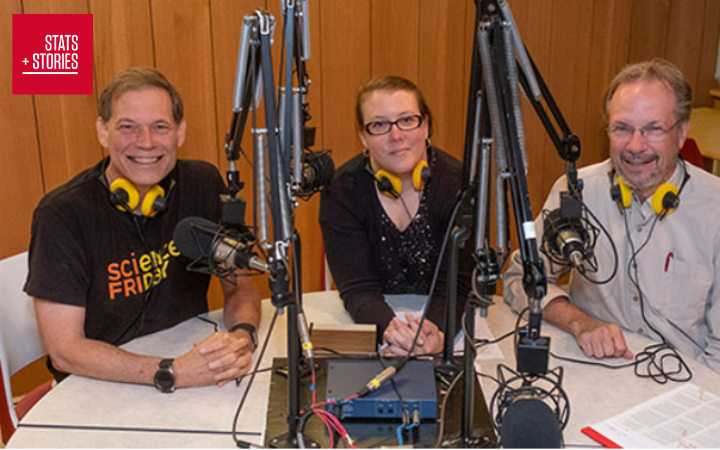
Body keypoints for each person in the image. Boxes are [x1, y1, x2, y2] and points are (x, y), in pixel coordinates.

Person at [24, 67, 262, 391]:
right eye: (128, 127)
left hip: (189, 365)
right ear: (102, 131)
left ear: (180, 132)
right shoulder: (61, 215)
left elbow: (240, 284)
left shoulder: (203, 185)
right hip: (95, 386)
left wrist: (242, 336)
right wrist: (171, 371)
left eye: (160, 126)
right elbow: (65, 351)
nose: (146, 142)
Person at [503, 58, 720, 373]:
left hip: (686, 383)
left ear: (682, 132)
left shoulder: (714, 208)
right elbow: (522, 277)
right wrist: (580, 323)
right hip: (597, 375)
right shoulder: (577, 191)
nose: (635, 146)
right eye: (622, 128)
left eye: (653, 129)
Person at [319, 75, 472, 357]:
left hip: (443, 317)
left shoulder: (459, 185)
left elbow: (459, 285)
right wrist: (392, 332)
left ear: (425, 126)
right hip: (380, 323)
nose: (396, 135)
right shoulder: (342, 191)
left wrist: (436, 334)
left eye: (407, 120)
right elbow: (358, 288)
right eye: (379, 125)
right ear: (362, 136)